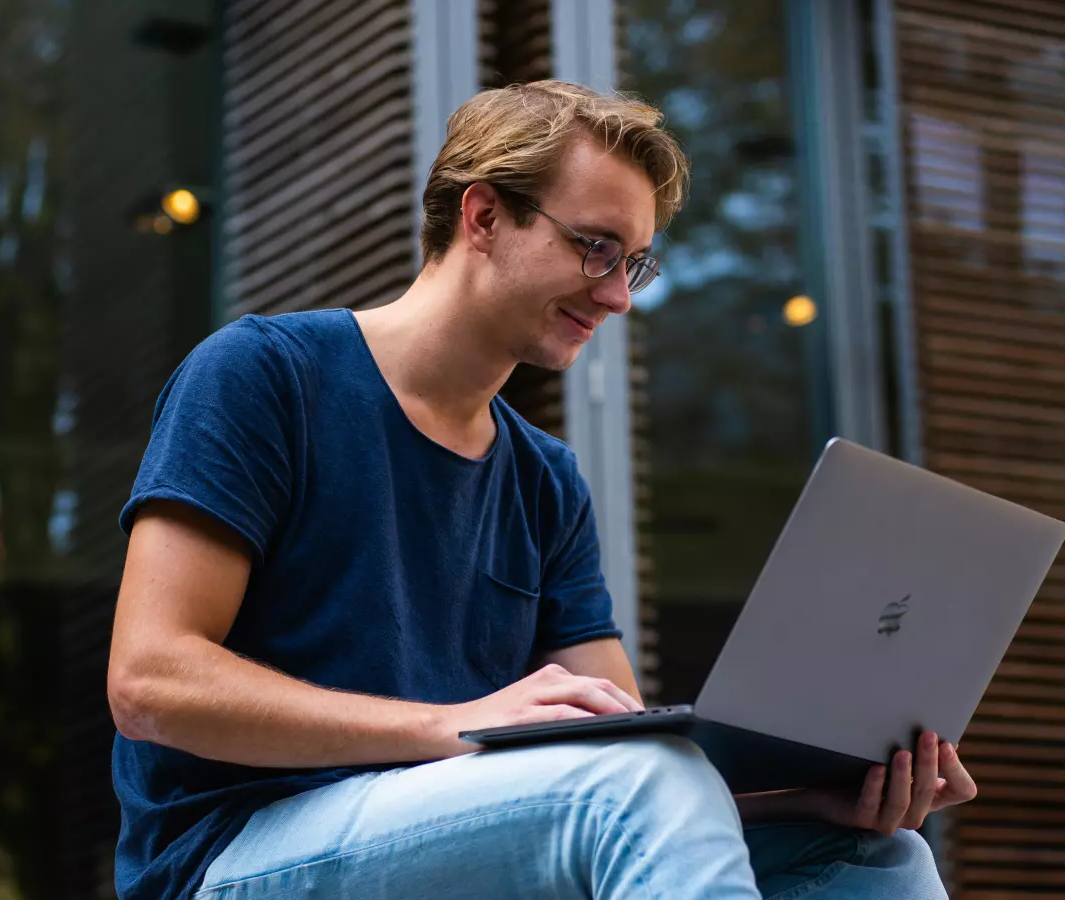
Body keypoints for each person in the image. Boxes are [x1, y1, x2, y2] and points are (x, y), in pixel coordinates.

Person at [107, 81, 976, 900]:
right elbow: (149, 684)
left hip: (454, 837)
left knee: (875, 857)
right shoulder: (265, 377)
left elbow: (629, 764)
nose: (616, 296)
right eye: (595, 247)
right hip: (233, 853)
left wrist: (803, 799)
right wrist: (455, 725)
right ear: (483, 215)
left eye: (634, 264)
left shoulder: (544, 478)